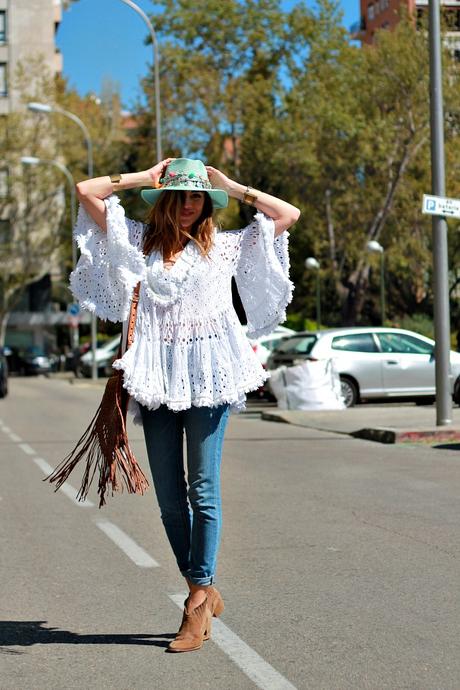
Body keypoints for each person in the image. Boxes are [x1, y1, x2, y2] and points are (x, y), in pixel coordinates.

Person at [72, 157, 300, 652]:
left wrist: (232, 185)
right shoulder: (138, 243)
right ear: (166, 200)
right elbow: (86, 190)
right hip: (156, 378)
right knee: (170, 499)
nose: (190, 204)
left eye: (198, 196)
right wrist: (141, 178)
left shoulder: (226, 247)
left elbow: (288, 214)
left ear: (206, 203)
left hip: (210, 379)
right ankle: (204, 587)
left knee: (203, 489)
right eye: (181, 195)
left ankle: (196, 600)